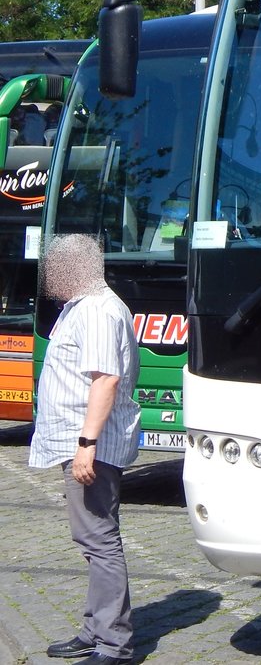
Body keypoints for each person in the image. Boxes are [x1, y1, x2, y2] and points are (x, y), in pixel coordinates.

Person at [29, 234, 139, 665]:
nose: (49, 277)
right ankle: (96, 629)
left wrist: (86, 445)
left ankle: (114, 644)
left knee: (99, 539)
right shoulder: (90, 305)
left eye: (55, 268)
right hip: (86, 440)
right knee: (92, 536)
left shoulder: (96, 309)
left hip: (92, 443)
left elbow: (105, 380)